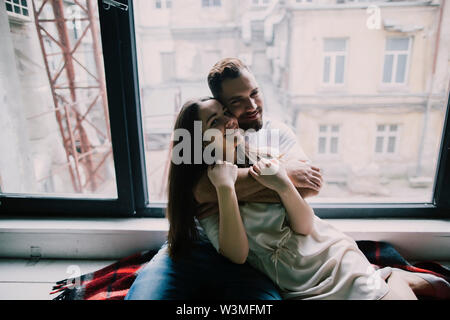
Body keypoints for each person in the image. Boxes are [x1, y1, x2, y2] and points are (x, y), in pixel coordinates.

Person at [166, 96, 447, 300]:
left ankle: (389, 279)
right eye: (215, 121)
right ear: (199, 140)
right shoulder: (209, 193)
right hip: (300, 285)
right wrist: (226, 189)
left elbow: (304, 225)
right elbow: (237, 255)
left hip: (330, 257)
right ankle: (392, 278)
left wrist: (282, 183)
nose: (229, 120)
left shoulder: (261, 160)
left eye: (226, 112)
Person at [125, 58, 323, 300]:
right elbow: (200, 189)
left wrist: (228, 185)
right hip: (193, 245)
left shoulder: (278, 134)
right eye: (236, 101)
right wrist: (282, 176)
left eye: (254, 93)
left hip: (253, 256)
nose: (251, 105)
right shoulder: (205, 135)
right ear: (223, 104)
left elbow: (307, 187)